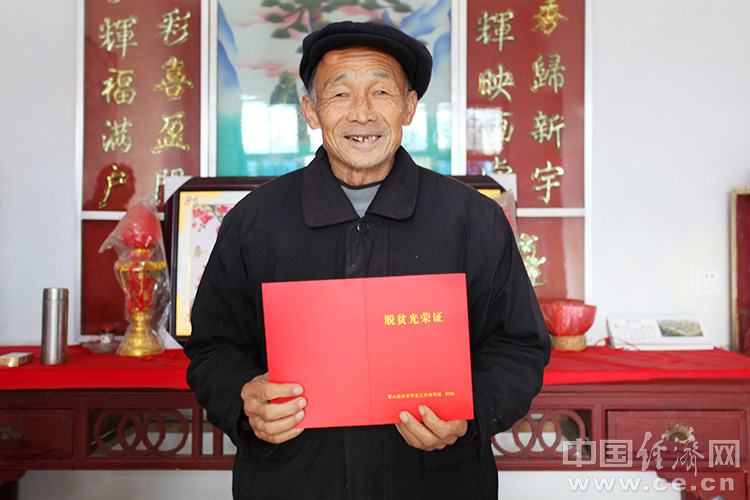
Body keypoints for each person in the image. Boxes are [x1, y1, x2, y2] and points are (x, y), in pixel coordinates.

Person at [185, 21, 550, 500]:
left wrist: (471, 413)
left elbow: (517, 345)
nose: (362, 113)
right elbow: (212, 346)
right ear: (311, 110)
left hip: (437, 483)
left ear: (409, 107)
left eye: (381, 91)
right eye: (340, 94)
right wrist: (243, 397)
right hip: (293, 482)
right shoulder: (255, 221)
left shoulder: (472, 220)